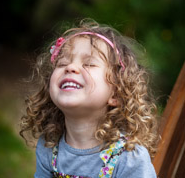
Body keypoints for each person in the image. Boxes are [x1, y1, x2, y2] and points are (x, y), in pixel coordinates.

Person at [20, 19, 159, 178]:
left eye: (89, 64)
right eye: (62, 63)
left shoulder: (129, 158)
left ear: (116, 94)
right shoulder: (49, 146)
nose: (70, 67)